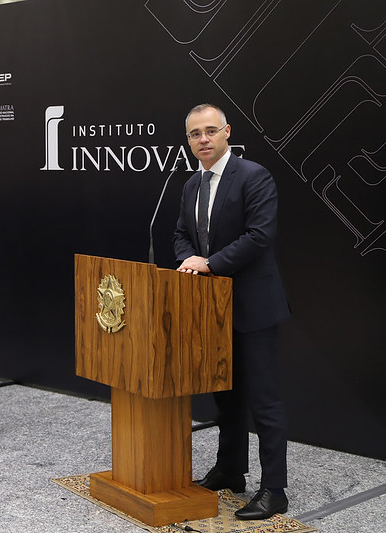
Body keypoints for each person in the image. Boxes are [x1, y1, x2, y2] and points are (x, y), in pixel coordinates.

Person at [173, 103, 291, 520]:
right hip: (212, 311)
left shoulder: (254, 176)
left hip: (253, 307)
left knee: (264, 403)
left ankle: (274, 489)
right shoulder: (192, 184)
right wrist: (188, 259)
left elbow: (259, 236)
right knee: (226, 397)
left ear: (227, 132)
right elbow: (182, 234)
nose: (202, 139)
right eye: (194, 134)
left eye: (210, 131)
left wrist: (209, 263)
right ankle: (230, 470)